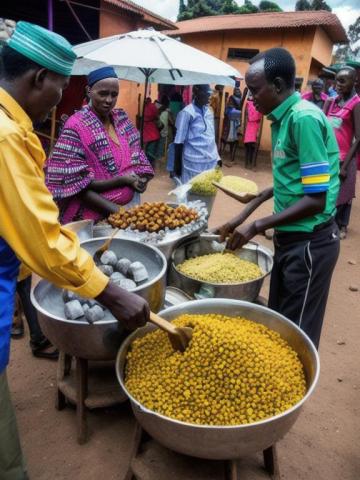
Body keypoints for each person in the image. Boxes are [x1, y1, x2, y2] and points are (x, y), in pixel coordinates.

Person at [0, 22, 149, 479]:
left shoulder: (13, 127)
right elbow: (44, 234)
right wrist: (110, 292)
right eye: (61, 88)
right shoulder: (6, 137)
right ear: (40, 78)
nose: (58, 101)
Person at [214, 47, 340, 349]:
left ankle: (295, 396)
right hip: (288, 240)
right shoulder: (281, 119)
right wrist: (242, 215)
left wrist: (256, 226)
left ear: (279, 86)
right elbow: (289, 184)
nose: (251, 97)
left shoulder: (303, 119)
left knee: (296, 338)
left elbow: (316, 199)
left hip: (310, 244)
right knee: (280, 322)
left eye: (255, 90)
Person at [45, 66, 154, 224]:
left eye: (114, 94)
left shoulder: (122, 121)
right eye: (103, 93)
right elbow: (75, 185)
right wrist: (119, 205)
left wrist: (141, 181)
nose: (109, 100)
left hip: (126, 214)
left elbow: (137, 159)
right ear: (89, 91)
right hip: (89, 220)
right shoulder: (76, 126)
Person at [325, 66, 360, 239]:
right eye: (336, 80)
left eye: (342, 81)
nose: (337, 84)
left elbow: (358, 138)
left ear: (355, 82)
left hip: (346, 157)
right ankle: (328, 223)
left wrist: (345, 166)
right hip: (329, 156)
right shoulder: (330, 102)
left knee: (344, 192)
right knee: (329, 191)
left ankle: (342, 225)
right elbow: (321, 128)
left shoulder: (356, 104)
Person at [173, 84, 220, 183]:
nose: (209, 96)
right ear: (197, 92)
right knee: (191, 193)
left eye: (210, 94)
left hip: (210, 162)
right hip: (193, 164)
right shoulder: (187, 113)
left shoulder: (209, 112)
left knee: (206, 194)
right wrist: (177, 166)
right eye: (207, 93)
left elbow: (211, 137)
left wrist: (218, 157)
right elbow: (178, 141)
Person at [220, 87, 242, 160]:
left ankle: (231, 156)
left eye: (239, 90)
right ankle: (224, 153)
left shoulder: (240, 99)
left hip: (236, 120)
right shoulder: (232, 98)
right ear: (234, 91)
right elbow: (229, 108)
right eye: (236, 90)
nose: (238, 92)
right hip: (230, 120)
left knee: (234, 139)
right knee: (228, 138)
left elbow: (239, 108)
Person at [243, 92, 263, 169]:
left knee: (253, 147)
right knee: (248, 147)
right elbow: (249, 117)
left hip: (255, 128)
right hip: (249, 127)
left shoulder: (259, 106)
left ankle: (251, 163)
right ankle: (247, 163)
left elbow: (258, 118)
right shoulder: (249, 105)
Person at [143, 97, 161, 166]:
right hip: (152, 133)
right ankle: (150, 166)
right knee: (151, 152)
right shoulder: (152, 106)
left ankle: (148, 166)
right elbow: (156, 116)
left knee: (148, 150)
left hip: (147, 132)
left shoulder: (145, 107)